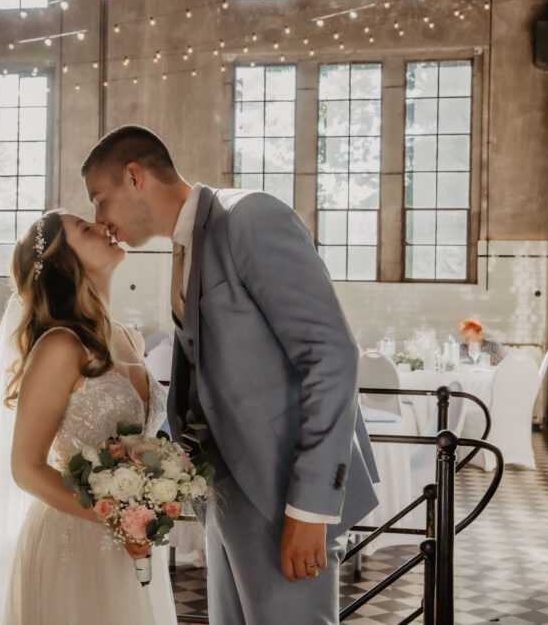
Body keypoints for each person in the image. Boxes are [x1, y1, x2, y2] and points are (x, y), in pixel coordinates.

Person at [82, 125, 379, 625]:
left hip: (284, 496)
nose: (99, 218)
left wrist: (310, 509)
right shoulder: (184, 245)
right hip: (227, 495)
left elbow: (332, 355)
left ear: (135, 176)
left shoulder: (250, 218)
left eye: (99, 199)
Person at [0, 209, 177, 625]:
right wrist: (115, 516)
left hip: (131, 537)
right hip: (74, 537)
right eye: (86, 228)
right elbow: (25, 468)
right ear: (66, 262)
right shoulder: (61, 347)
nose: (104, 225)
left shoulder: (128, 336)